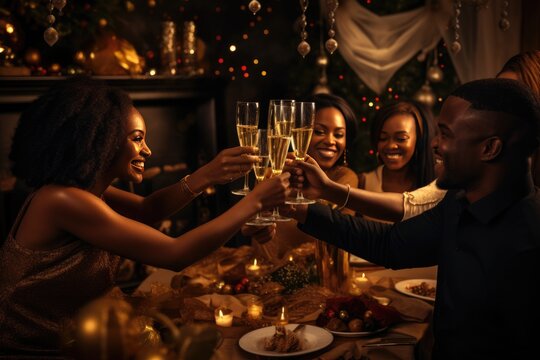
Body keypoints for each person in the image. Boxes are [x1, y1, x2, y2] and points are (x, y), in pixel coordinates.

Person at [0, 77, 290, 355]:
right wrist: (254, 202)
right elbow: (174, 254)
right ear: (103, 139)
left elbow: (148, 210)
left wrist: (207, 175)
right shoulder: (63, 200)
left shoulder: (84, 191)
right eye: (137, 139)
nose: (147, 150)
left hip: (76, 335)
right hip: (37, 348)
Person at [290, 78, 540, 359]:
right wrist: (303, 209)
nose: (433, 144)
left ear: (489, 149)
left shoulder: (528, 240)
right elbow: (389, 244)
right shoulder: (458, 203)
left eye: (445, 134)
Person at [242, 93, 358, 262]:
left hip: (316, 274)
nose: (330, 141)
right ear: (299, 132)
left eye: (339, 134)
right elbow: (249, 225)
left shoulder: (346, 178)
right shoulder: (274, 172)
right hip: (266, 274)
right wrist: (254, 225)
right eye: (319, 131)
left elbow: (341, 235)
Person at [358, 100, 436, 222]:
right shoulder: (363, 182)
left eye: (401, 138)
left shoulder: (433, 184)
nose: (391, 146)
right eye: (383, 138)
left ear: (418, 139)